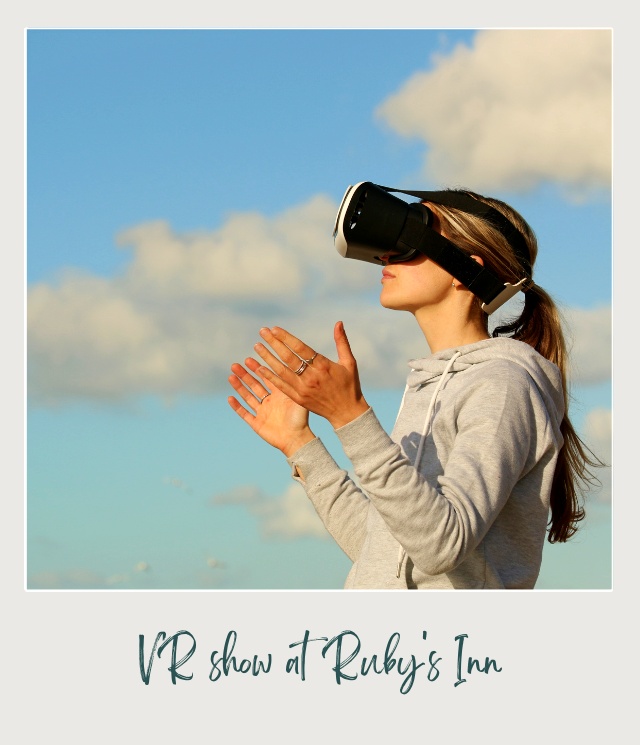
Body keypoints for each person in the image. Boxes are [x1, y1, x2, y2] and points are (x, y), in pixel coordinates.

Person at [227, 188, 600, 589]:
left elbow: (442, 546)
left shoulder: (503, 384)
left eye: (409, 239)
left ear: (465, 270)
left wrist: (349, 415)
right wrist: (301, 445)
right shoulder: (430, 385)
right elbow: (386, 551)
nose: (386, 254)